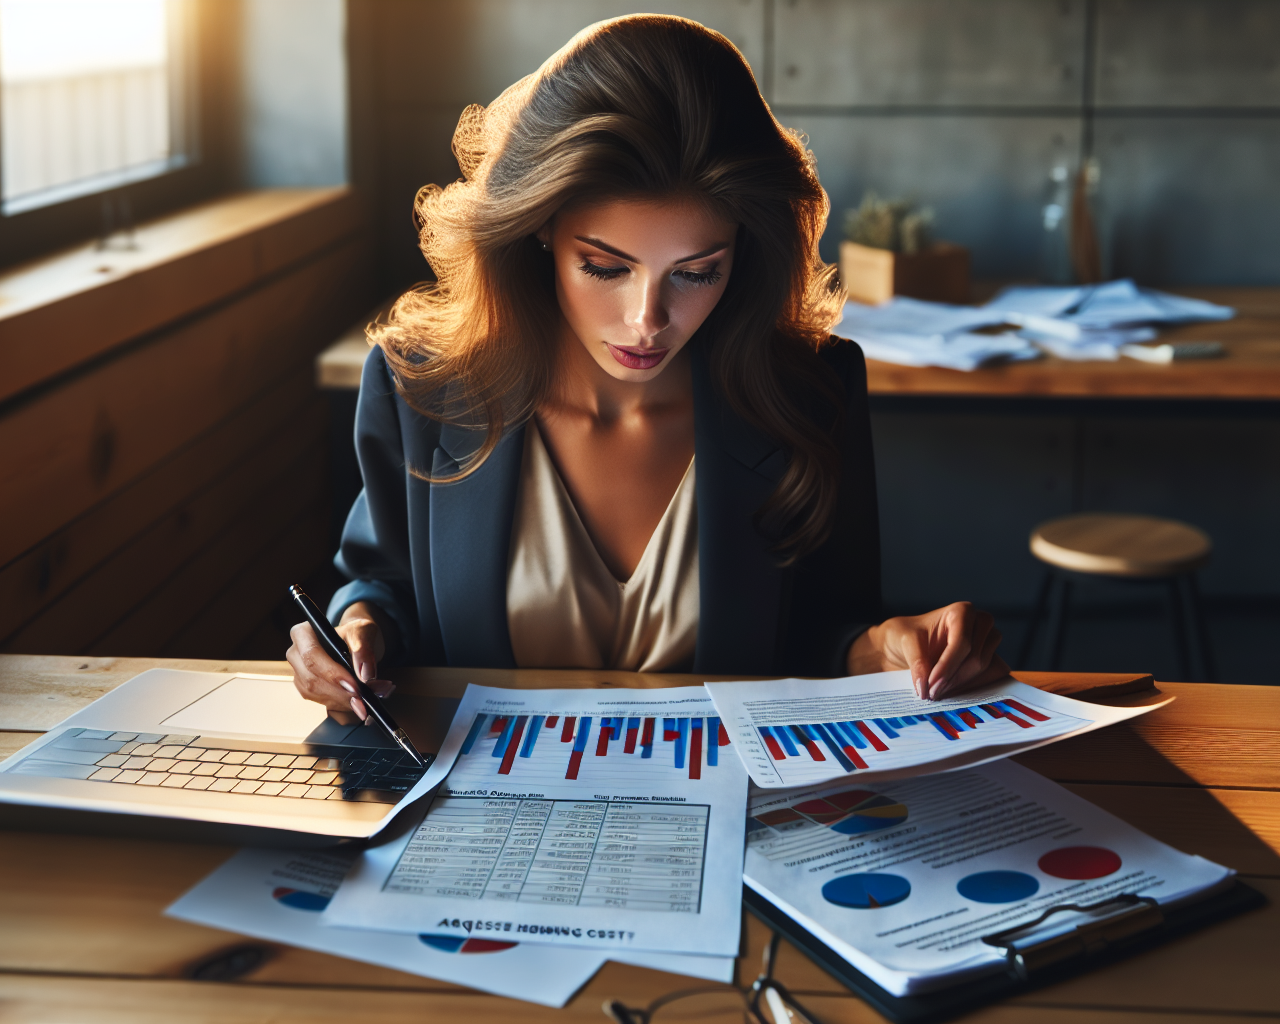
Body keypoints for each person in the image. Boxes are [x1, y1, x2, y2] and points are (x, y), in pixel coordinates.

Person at [288, 15, 1007, 726]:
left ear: (743, 253)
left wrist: (884, 646)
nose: (647, 320)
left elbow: (825, 631)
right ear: (537, 228)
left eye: (696, 273)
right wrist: (356, 632)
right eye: (605, 266)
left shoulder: (811, 392)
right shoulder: (421, 388)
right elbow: (384, 583)